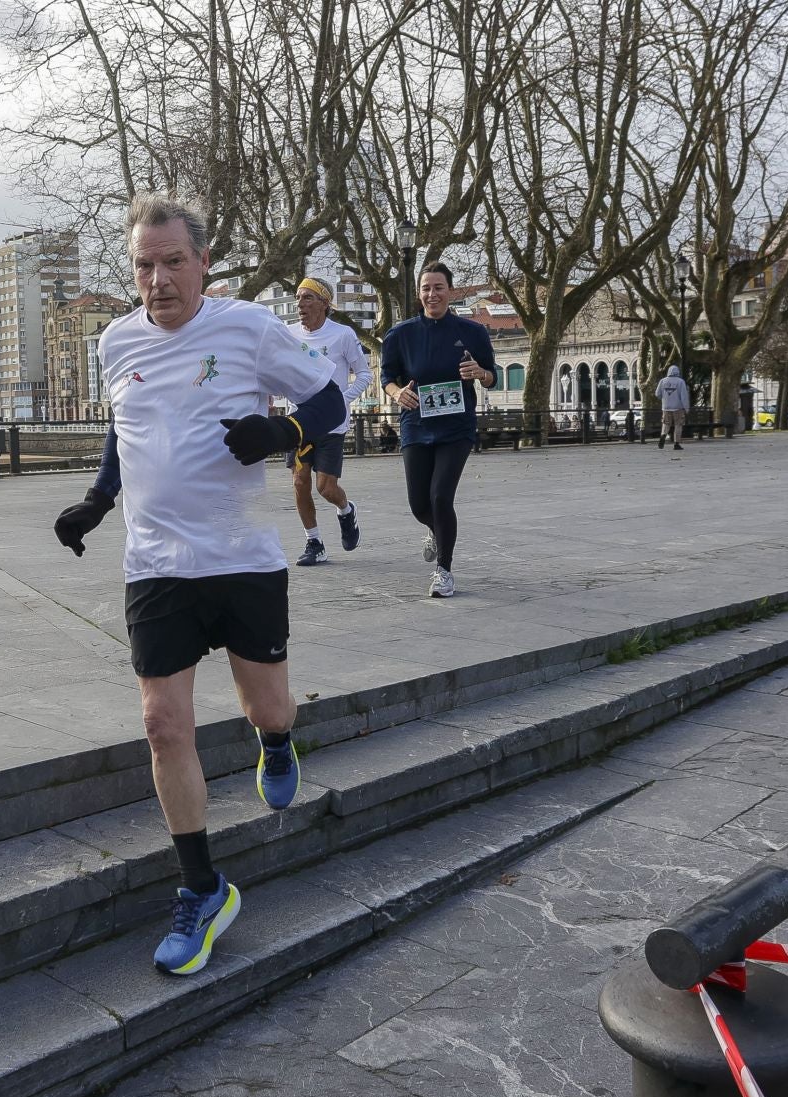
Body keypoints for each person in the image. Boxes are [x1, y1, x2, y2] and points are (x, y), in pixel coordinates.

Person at [51, 194, 344, 977]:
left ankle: (276, 740)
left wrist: (284, 433)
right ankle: (202, 888)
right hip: (156, 565)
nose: (157, 280)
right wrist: (98, 500)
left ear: (203, 263)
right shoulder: (115, 343)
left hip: (244, 555)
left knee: (267, 705)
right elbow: (125, 427)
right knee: (161, 723)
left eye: (172, 261)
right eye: (144, 265)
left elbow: (331, 399)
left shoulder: (247, 327)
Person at [379, 262, 496, 598]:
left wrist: (480, 373)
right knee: (419, 504)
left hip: (456, 425)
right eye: (426, 288)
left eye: (439, 287)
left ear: (451, 291)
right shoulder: (400, 334)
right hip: (416, 423)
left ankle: (443, 571)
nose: (432, 294)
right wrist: (398, 393)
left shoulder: (472, 332)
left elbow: (492, 375)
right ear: (419, 293)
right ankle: (436, 530)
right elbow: (387, 378)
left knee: (441, 496)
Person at [285, 279, 369, 565]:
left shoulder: (343, 335)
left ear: (324, 303)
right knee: (299, 482)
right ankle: (314, 542)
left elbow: (365, 375)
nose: (300, 304)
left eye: (307, 297)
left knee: (326, 488)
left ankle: (346, 510)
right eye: (297, 298)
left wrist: (340, 400)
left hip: (332, 424)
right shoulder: (288, 334)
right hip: (300, 421)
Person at [656, 364, 691, 451]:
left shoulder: (662, 381)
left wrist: (664, 398)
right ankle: (676, 443)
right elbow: (684, 396)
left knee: (666, 424)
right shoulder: (680, 382)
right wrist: (686, 408)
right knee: (678, 425)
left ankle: (663, 435)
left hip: (666, 407)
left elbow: (657, 394)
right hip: (678, 407)